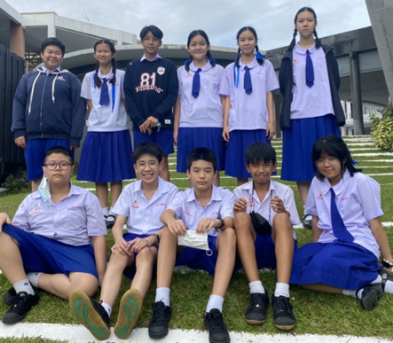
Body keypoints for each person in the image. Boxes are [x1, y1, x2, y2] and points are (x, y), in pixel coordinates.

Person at [70, 143, 178, 340]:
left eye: (152, 163)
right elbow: (118, 224)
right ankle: (104, 309)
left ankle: (132, 305)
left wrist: (149, 240)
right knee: (118, 254)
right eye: (142, 164)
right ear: (135, 167)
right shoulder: (130, 190)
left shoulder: (171, 190)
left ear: (160, 165)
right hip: (131, 238)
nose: (147, 168)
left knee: (144, 253)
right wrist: (119, 240)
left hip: (156, 242)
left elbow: (171, 225)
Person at [0, 146, 107, 325]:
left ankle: (31, 279)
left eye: (63, 164)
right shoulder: (31, 200)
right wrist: (1, 216)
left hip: (75, 250)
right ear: (44, 169)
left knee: (85, 288)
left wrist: (102, 275)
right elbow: (15, 234)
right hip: (39, 248)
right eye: (52, 164)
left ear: (72, 169)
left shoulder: (86, 198)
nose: (57, 168)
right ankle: (25, 292)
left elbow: (98, 237)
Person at [290, 136, 393, 311]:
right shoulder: (317, 182)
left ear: (343, 158)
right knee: (290, 267)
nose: (326, 164)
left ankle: (379, 275)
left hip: (358, 242)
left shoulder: (361, 181)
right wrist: (314, 249)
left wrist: (388, 261)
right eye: (320, 160)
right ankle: (361, 289)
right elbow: (316, 218)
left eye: (331, 158)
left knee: (324, 261)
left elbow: (375, 223)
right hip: (329, 241)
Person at [148, 147, 236, 343]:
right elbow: (166, 214)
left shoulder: (225, 195)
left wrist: (217, 222)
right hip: (188, 246)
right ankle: (162, 302)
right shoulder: (182, 196)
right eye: (196, 170)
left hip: (213, 248)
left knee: (229, 233)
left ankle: (214, 308)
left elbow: (230, 221)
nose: (202, 176)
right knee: (168, 229)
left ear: (215, 173)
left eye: (207, 171)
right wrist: (172, 221)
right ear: (188, 173)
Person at [279, 7, 345, 228]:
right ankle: (309, 210)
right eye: (301, 21)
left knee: (329, 161)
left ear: (315, 23)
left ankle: (332, 206)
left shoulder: (326, 52)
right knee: (303, 164)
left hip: (324, 112)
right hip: (298, 116)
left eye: (309, 20)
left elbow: (335, 80)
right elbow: (284, 86)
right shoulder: (289, 55)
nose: (305, 24)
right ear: (295, 25)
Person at [233, 142, 300, 330]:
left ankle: (282, 294)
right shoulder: (239, 192)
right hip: (252, 247)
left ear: (274, 166)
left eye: (266, 164)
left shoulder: (285, 191)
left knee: (281, 218)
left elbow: (292, 225)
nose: (261, 170)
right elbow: (233, 226)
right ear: (248, 167)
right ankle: (256, 291)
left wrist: (284, 212)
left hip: (279, 246)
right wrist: (237, 212)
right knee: (240, 218)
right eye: (255, 165)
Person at [11, 37, 86, 192]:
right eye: (49, 52)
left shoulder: (71, 79)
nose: (53, 56)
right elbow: (18, 104)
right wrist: (18, 130)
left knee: (60, 176)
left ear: (62, 56)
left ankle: (62, 207)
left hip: (61, 137)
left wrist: (75, 136)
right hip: (32, 138)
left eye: (57, 53)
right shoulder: (28, 78)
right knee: (36, 177)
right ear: (42, 54)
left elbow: (79, 108)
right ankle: (37, 207)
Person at [77, 39, 135, 229]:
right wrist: (98, 119)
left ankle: (115, 211)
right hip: (96, 129)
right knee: (99, 172)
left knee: (117, 171)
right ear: (95, 54)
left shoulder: (122, 75)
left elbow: (125, 101)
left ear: (113, 54)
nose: (102, 54)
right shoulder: (88, 77)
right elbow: (89, 103)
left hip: (118, 127)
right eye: (99, 51)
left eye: (106, 51)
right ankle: (103, 210)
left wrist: (121, 118)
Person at [220, 26, 279, 186]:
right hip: (238, 124)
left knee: (262, 167)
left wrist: (271, 121)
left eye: (250, 39)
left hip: (259, 123)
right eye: (243, 40)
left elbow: (269, 94)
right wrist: (225, 125)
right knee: (241, 170)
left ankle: (263, 199)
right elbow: (227, 99)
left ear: (256, 41)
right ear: (238, 43)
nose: (246, 43)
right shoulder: (230, 69)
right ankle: (243, 200)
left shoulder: (265, 65)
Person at [124, 25, 178, 182]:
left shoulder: (168, 65)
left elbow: (172, 94)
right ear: (141, 42)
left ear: (160, 42)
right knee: (142, 162)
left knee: (162, 162)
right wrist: (139, 120)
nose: (151, 42)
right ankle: (142, 196)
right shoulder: (132, 66)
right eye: (147, 39)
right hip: (141, 126)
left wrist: (156, 116)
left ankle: (166, 196)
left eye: (155, 39)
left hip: (163, 123)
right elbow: (129, 96)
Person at [174, 30, 226, 186]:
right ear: (188, 48)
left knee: (212, 168)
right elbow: (178, 101)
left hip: (213, 125)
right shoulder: (181, 71)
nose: (198, 47)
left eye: (202, 43)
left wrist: (225, 125)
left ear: (208, 46)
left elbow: (224, 100)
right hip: (188, 125)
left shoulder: (219, 70)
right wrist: (176, 129)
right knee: (193, 169)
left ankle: (215, 201)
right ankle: (193, 202)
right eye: (194, 44)